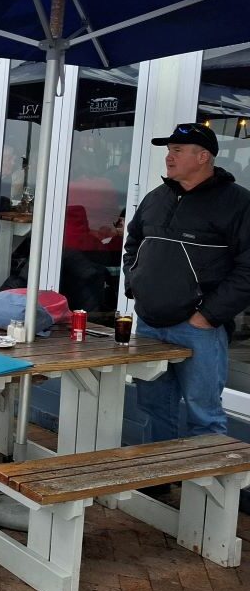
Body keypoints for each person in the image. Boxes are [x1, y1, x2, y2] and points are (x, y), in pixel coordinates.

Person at [124, 123, 250, 450]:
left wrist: (208, 315)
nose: (169, 157)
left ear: (203, 156)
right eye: (168, 150)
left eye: (177, 150)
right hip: (150, 324)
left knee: (203, 413)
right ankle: (159, 480)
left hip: (198, 327)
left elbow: (248, 269)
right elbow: (133, 242)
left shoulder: (238, 203)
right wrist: (135, 283)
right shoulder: (156, 197)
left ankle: (202, 498)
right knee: (153, 406)